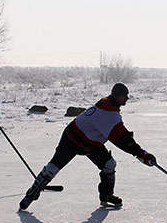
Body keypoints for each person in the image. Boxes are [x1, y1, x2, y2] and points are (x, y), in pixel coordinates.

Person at [19, 83, 156, 211]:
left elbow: (121, 136)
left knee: (109, 164)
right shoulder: (109, 114)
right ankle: (31, 194)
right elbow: (123, 140)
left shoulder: (107, 105)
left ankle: (106, 196)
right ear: (117, 96)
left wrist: (140, 154)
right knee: (54, 166)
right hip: (72, 138)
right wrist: (142, 154)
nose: (127, 97)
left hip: (90, 143)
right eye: (124, 95)